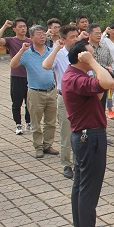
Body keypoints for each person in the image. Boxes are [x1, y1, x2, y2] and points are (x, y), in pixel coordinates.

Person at [62, 41, 114, 227]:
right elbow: (108, 83)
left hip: (86, 134)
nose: (94, 58)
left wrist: (96, 71)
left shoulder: (77, 76)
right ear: (81, 57)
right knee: (89, 187)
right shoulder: (75, 79)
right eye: (91, 55)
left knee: (81, 184)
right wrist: (95, 64)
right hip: (89, 136)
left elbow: (100, 90)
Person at [11, 25, 58, 159]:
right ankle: (38, 147)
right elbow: (13, 65)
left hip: (51, 90)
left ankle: (48, 145)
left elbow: (55, 70)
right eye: (38, 34)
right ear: (31, 37)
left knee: (51, 122)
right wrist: (21, 50)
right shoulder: (27, 53)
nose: (42, 36)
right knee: (36, 122)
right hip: (35, 92)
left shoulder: (51, 51)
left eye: (43, 33)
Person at [42, 25, 79, 179]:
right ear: (63, 39)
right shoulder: (59, 53)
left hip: (81, 98)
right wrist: (56, 48)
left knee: (81, 132)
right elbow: (46, 66)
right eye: (72, 37)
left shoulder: (82, 53)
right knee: (66, 132)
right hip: (65, 98)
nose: (76, 39)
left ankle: (79, 162)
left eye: (76, 36)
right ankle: (66, 163)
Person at [0, 18, 31, 135]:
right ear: (14, 29)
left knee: (29, 102)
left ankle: (29, 122)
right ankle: (18, 124)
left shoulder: (30, 41)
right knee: (16, 102)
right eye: (20, 26)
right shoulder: (11, 41)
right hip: (17, 75)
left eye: (24, 26)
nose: (23, 28)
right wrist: (5, 26)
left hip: (30, 75)